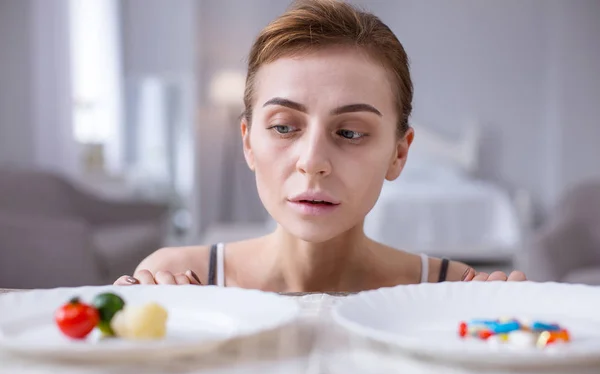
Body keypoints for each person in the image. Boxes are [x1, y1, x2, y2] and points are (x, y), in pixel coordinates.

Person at [115, 0, 526, 292]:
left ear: (399, 153)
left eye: (349, 133)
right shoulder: (177, 278)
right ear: (248, 143)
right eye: (283, 127)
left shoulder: (456, 291)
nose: (312, 162)